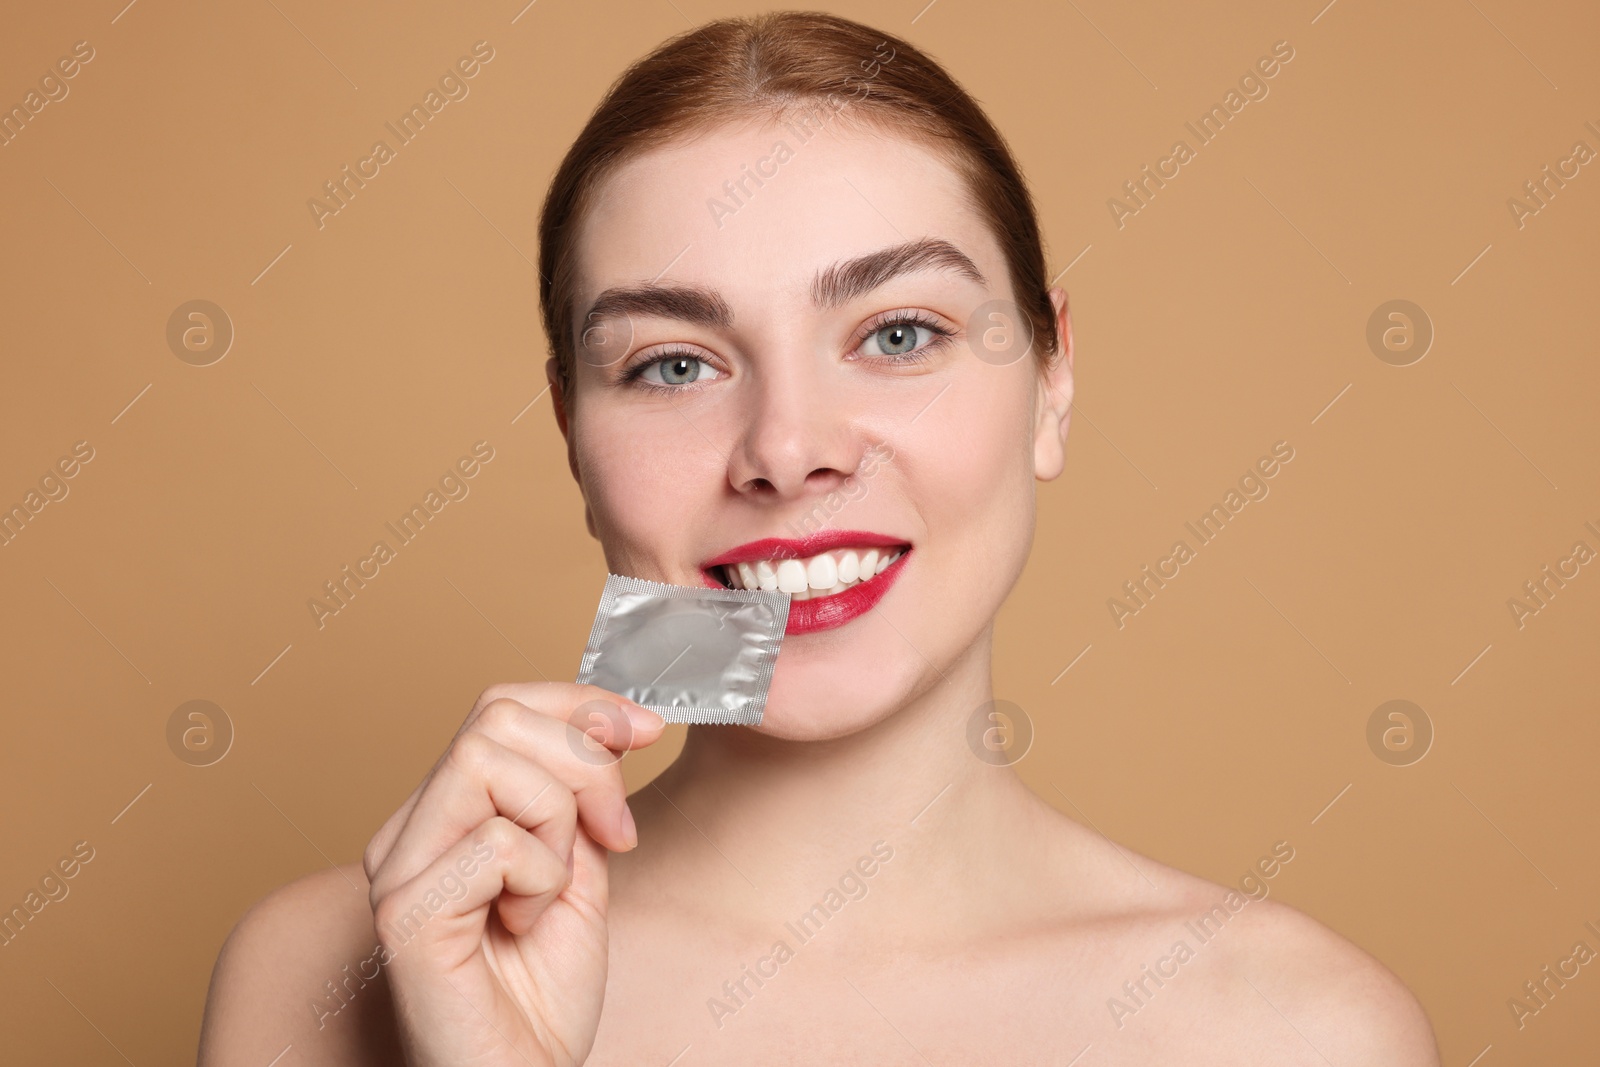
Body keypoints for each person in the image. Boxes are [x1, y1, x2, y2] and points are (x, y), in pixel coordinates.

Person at [199, 12, 1439, 1064]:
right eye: (674, 362)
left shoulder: (1289, 1029)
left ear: (1052, 375)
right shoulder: (324, 978)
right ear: (572, 431)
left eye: (898, 334)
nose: (787, 450)